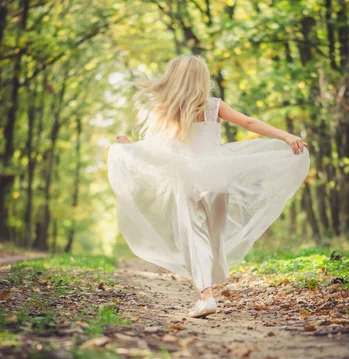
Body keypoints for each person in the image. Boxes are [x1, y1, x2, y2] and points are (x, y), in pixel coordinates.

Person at [108, 55, 309, 318]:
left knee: (194, 237)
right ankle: (213, 280)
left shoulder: (168, 112)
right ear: (202, 79)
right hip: (218, 177)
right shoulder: (214, 106)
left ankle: (206, 296)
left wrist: (126, 147)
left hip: (190, 181)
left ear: (174, 79)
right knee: (215, 236)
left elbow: (156, 152)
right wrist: (286, 135)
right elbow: (249, 123)